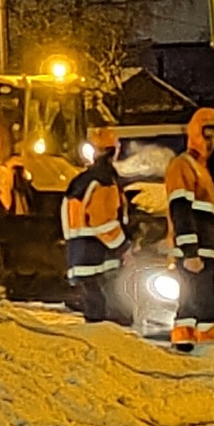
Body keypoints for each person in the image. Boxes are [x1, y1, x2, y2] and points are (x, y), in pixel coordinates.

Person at [163, 107, 214, 347]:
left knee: (191, 305)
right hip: (196, 249)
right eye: (208, 137)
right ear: (196, 134)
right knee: (206, 304)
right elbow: (180, 210)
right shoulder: (184, 165)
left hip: (208, 248)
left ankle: (185, 346)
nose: (212, 143)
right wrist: (190, 251)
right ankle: (209, 349)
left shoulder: (208, 171)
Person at [59, 125, 131, 326]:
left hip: (81, 252)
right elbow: (103, 221)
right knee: (109, 314)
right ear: (114, 150)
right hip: (98, 253)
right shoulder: (104, 180)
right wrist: (122, 247)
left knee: (95, 308)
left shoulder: (82, 180)